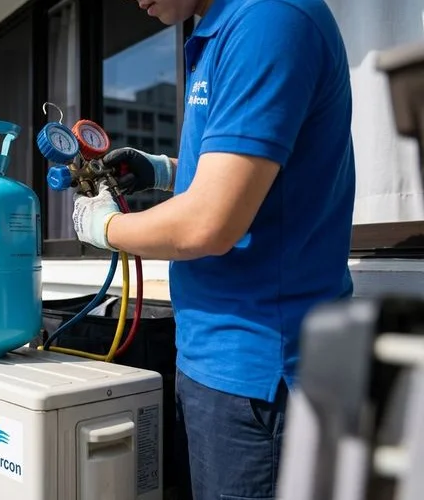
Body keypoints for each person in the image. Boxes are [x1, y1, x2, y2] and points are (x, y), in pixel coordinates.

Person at [71, 0, 355, 498]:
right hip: (218, 360)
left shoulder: (268, 18)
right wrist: (164, 170)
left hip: (260, 374)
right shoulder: (223, 27)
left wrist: (104, 227)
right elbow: (247, 174)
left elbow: (210, 222)